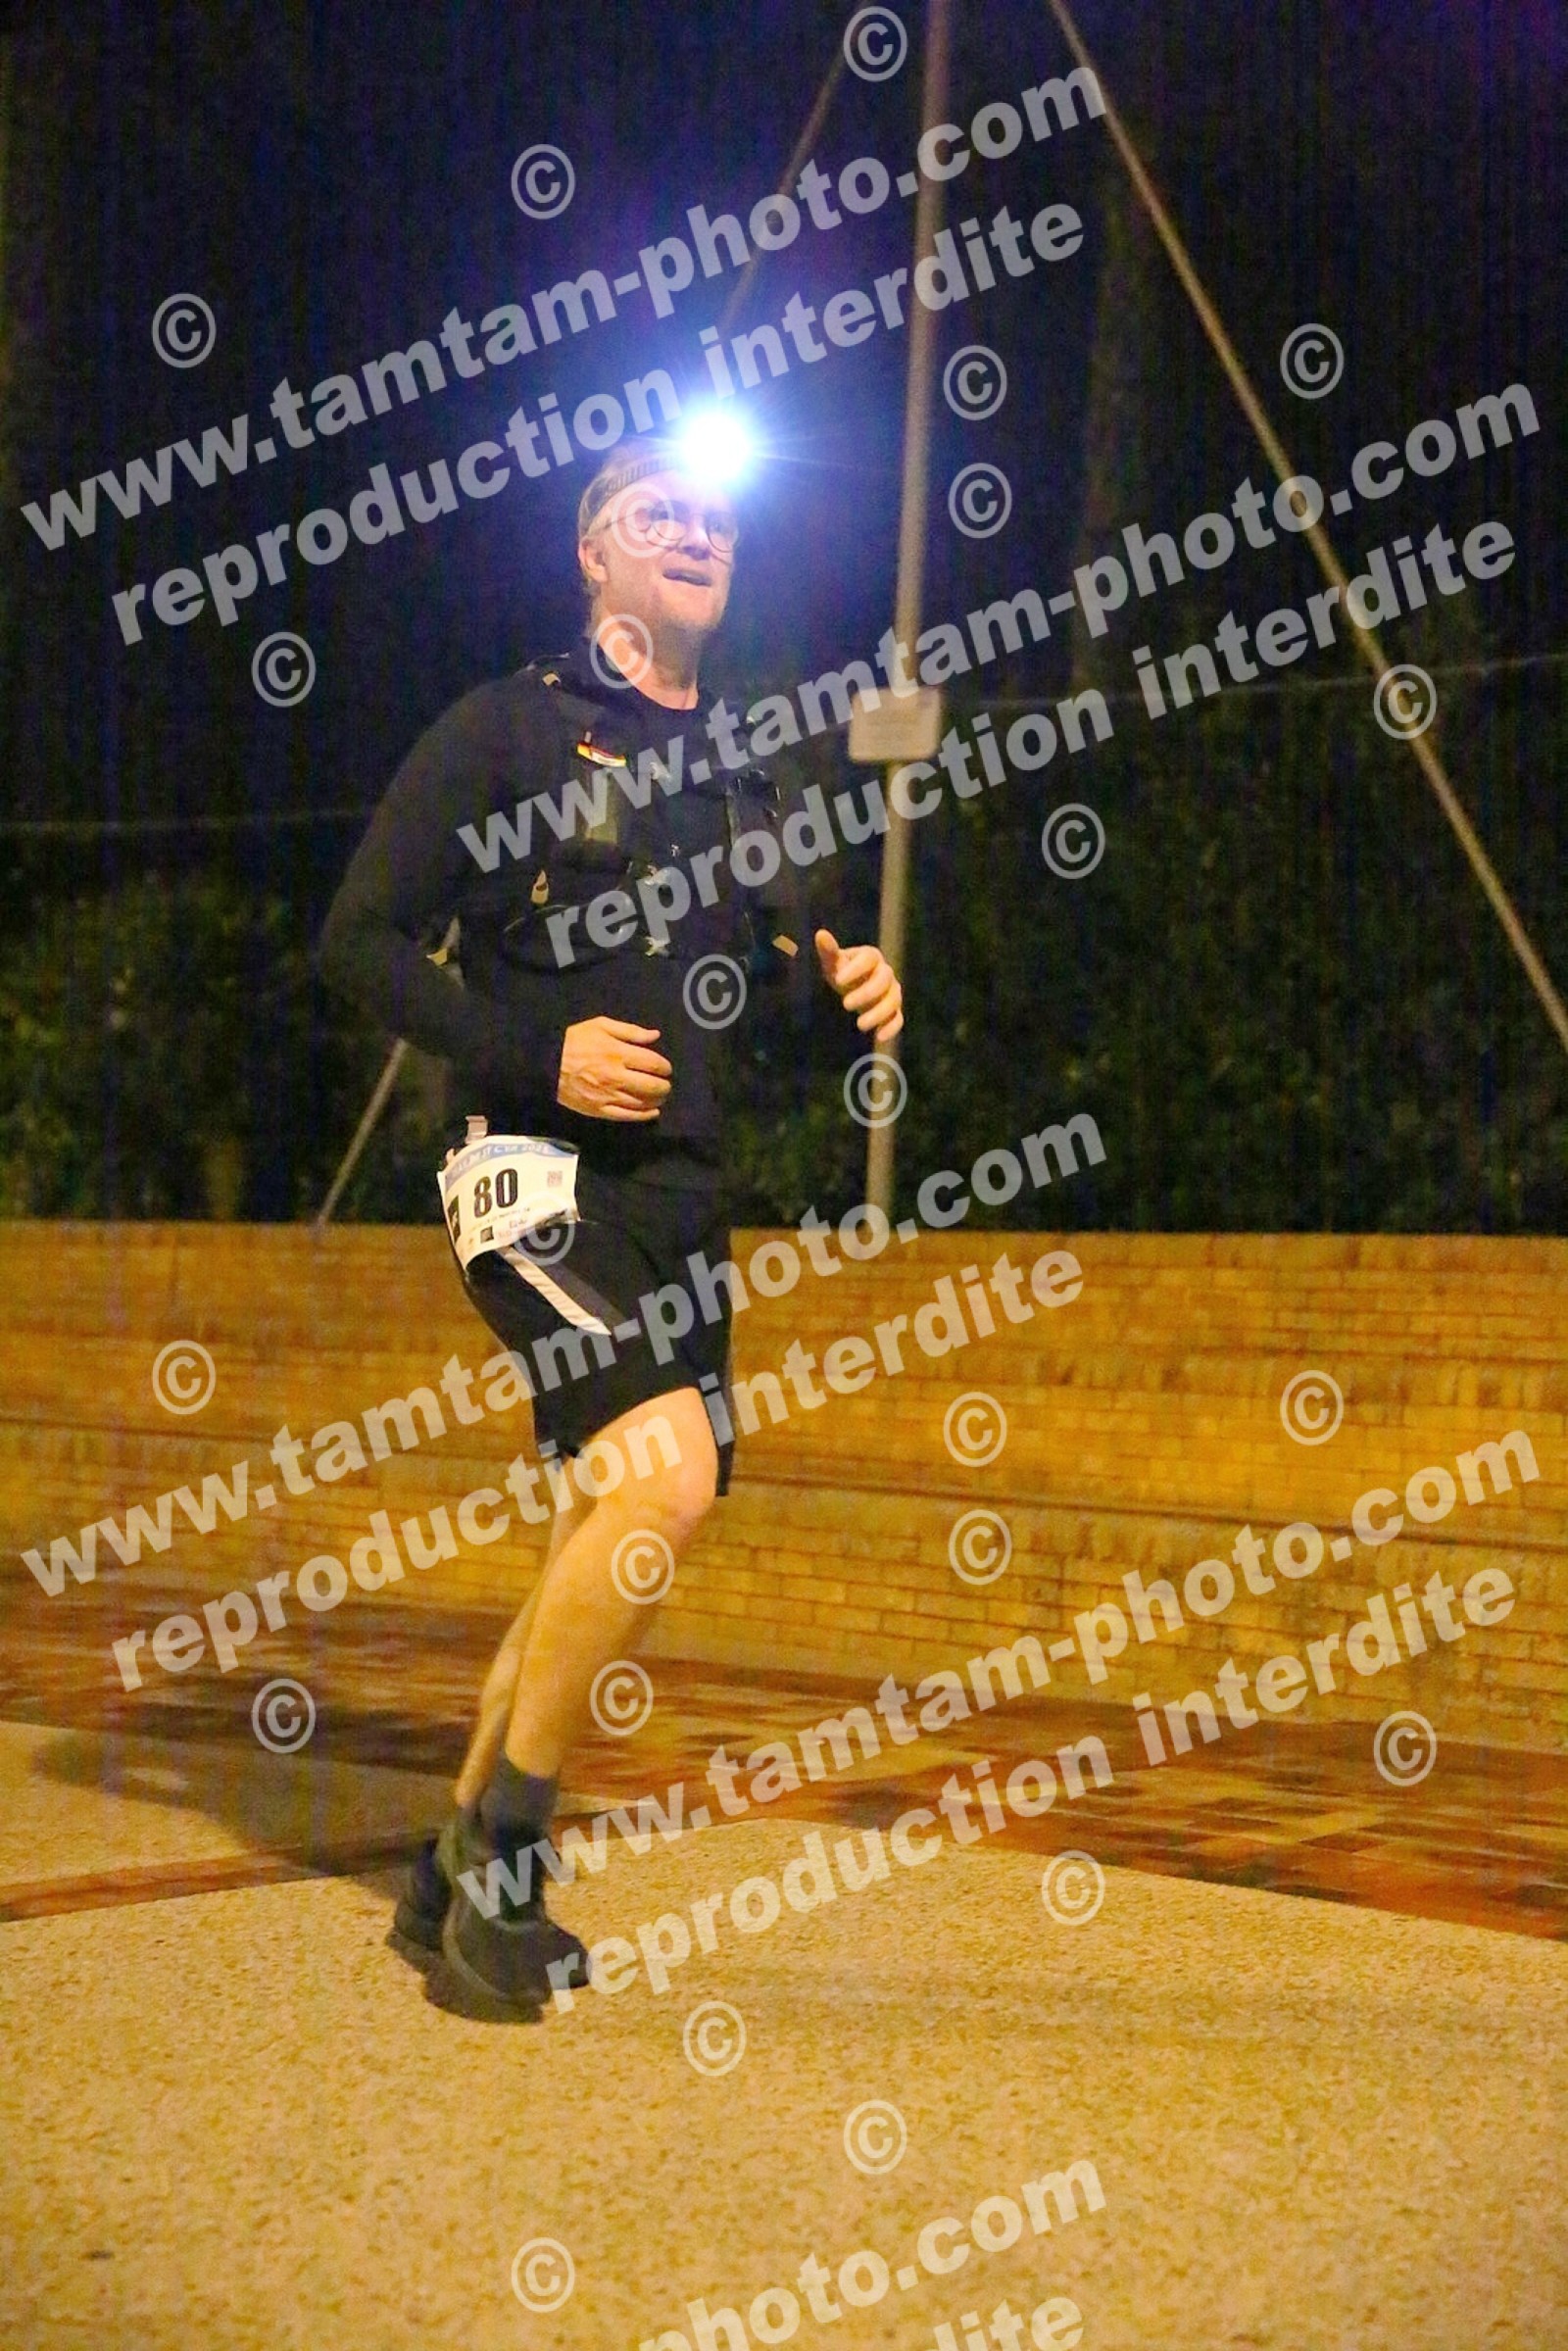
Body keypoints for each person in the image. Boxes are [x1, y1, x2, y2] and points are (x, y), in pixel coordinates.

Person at [318, 432, 903, 2020]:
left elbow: (768, 1003)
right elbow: (358, 941)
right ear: (595, 556)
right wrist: (536, 1053)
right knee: (665, 1478)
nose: (696, 534)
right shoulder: (506, 728)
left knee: (603, 1520)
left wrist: (847, 996)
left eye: (715, 518)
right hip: (531, 1173)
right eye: (658, 515)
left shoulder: (752, 774)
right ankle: (508, 1860)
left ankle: (444, 1872)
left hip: (678, 1199)